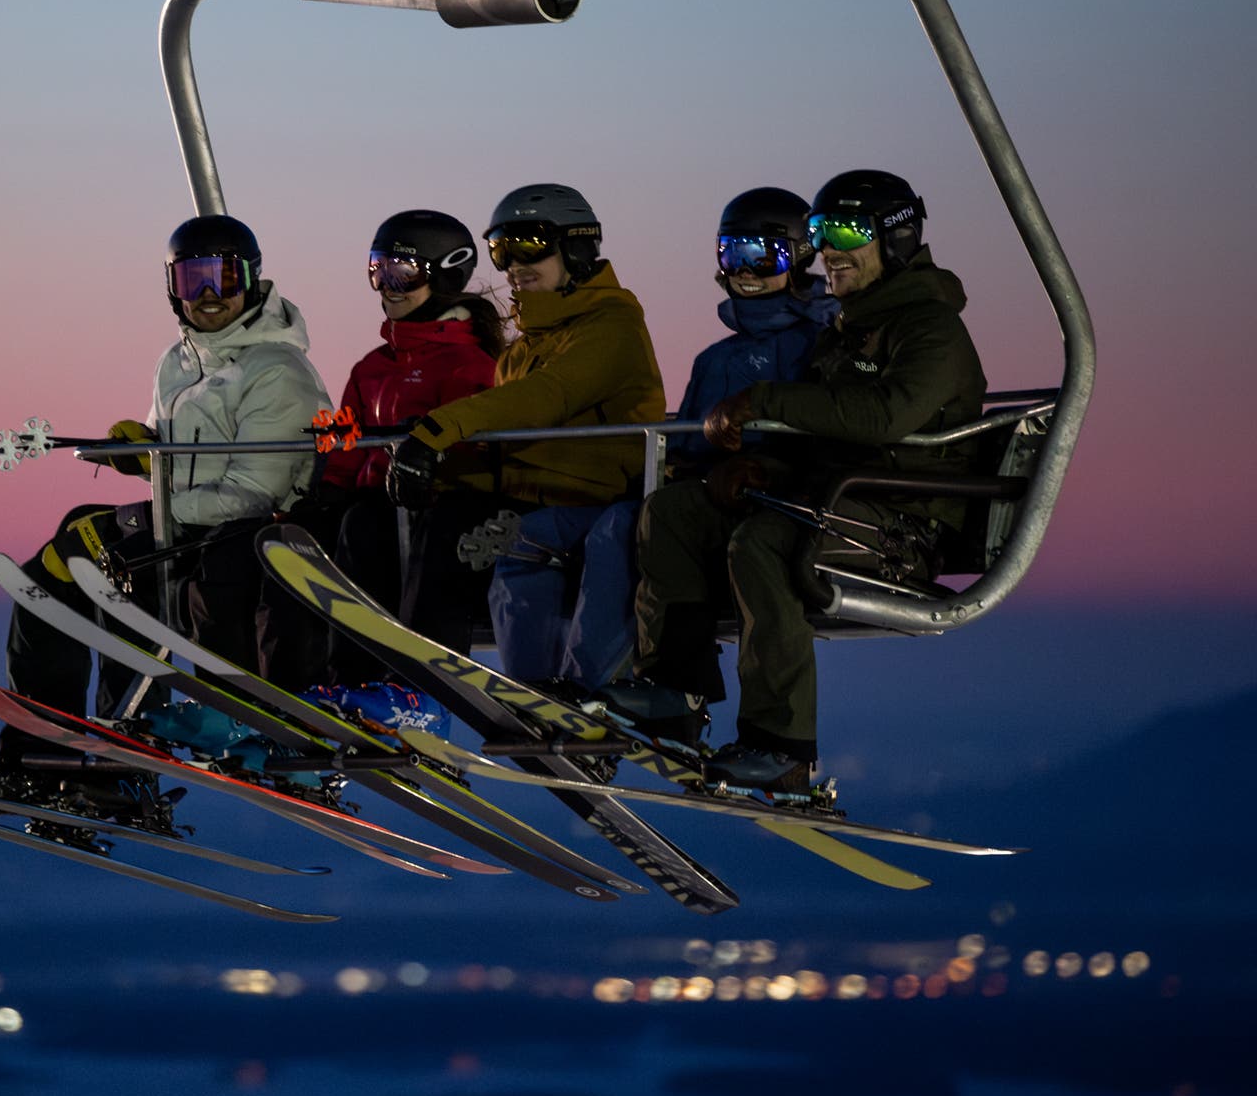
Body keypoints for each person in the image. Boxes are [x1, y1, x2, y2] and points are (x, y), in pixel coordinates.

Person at [0, 213, 332, 799]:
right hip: (186, 530)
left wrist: (146, 514)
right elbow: (176, 457)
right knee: (48, 576)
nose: (208, 295)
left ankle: (124, 758)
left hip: (241, 540)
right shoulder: (177, 362)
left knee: (116, 565)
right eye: (191, 280)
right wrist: (142, 453)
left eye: (224, 278)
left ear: (252, 280)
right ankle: (40, 754)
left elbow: (254, 491)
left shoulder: (278, 371)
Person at [632, 170, 987, 792]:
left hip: (898, 525)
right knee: (675, 512)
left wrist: (763, 399)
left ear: (897, 238)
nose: (828, 250)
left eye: (847, 232)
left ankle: (781, 745)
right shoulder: (846, 333)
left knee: (764, 542)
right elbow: (825, 440)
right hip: (834, 502)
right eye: (820, 232)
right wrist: (759, 468)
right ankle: (674, 691)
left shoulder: (928, 329)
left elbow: (881, 417)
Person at [561, 187, 840, 707]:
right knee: (620, 520)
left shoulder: (819, 341)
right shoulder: (716, 358)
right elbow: (688, 440)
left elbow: (824, 428)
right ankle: (641, 686)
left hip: (773, 500)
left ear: (800, 259)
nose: (746, 271)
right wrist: (675, 468)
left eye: (764, 256)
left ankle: (593, 687)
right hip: (707, 495)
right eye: (732, 254)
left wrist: (762, 468)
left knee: (631, 525)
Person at [383, 183, 666, 679]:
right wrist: (439, 470)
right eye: (501, 250)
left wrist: (437, 431)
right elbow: (508, 450)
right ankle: (526, 694)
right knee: (423, 516)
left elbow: (546, 397)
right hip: (535, 500)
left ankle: (430, 685)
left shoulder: (612, 327)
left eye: (529, 245)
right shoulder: (521, 350)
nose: (513, 264)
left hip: (597, 501)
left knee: (476, 532)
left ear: (576, 247)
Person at [305, 209, 505, 675]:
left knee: (365, 526)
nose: (388, 288)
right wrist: (328, 491)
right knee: (334, 529)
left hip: (434, 512)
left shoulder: (469, 365)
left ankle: (411, 678)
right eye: (378, 271)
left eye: (402, 273)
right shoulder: (372, 368)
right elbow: (347, 445)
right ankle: (340, 681)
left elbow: (471, 452)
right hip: (377, 507)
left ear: (446, 276)